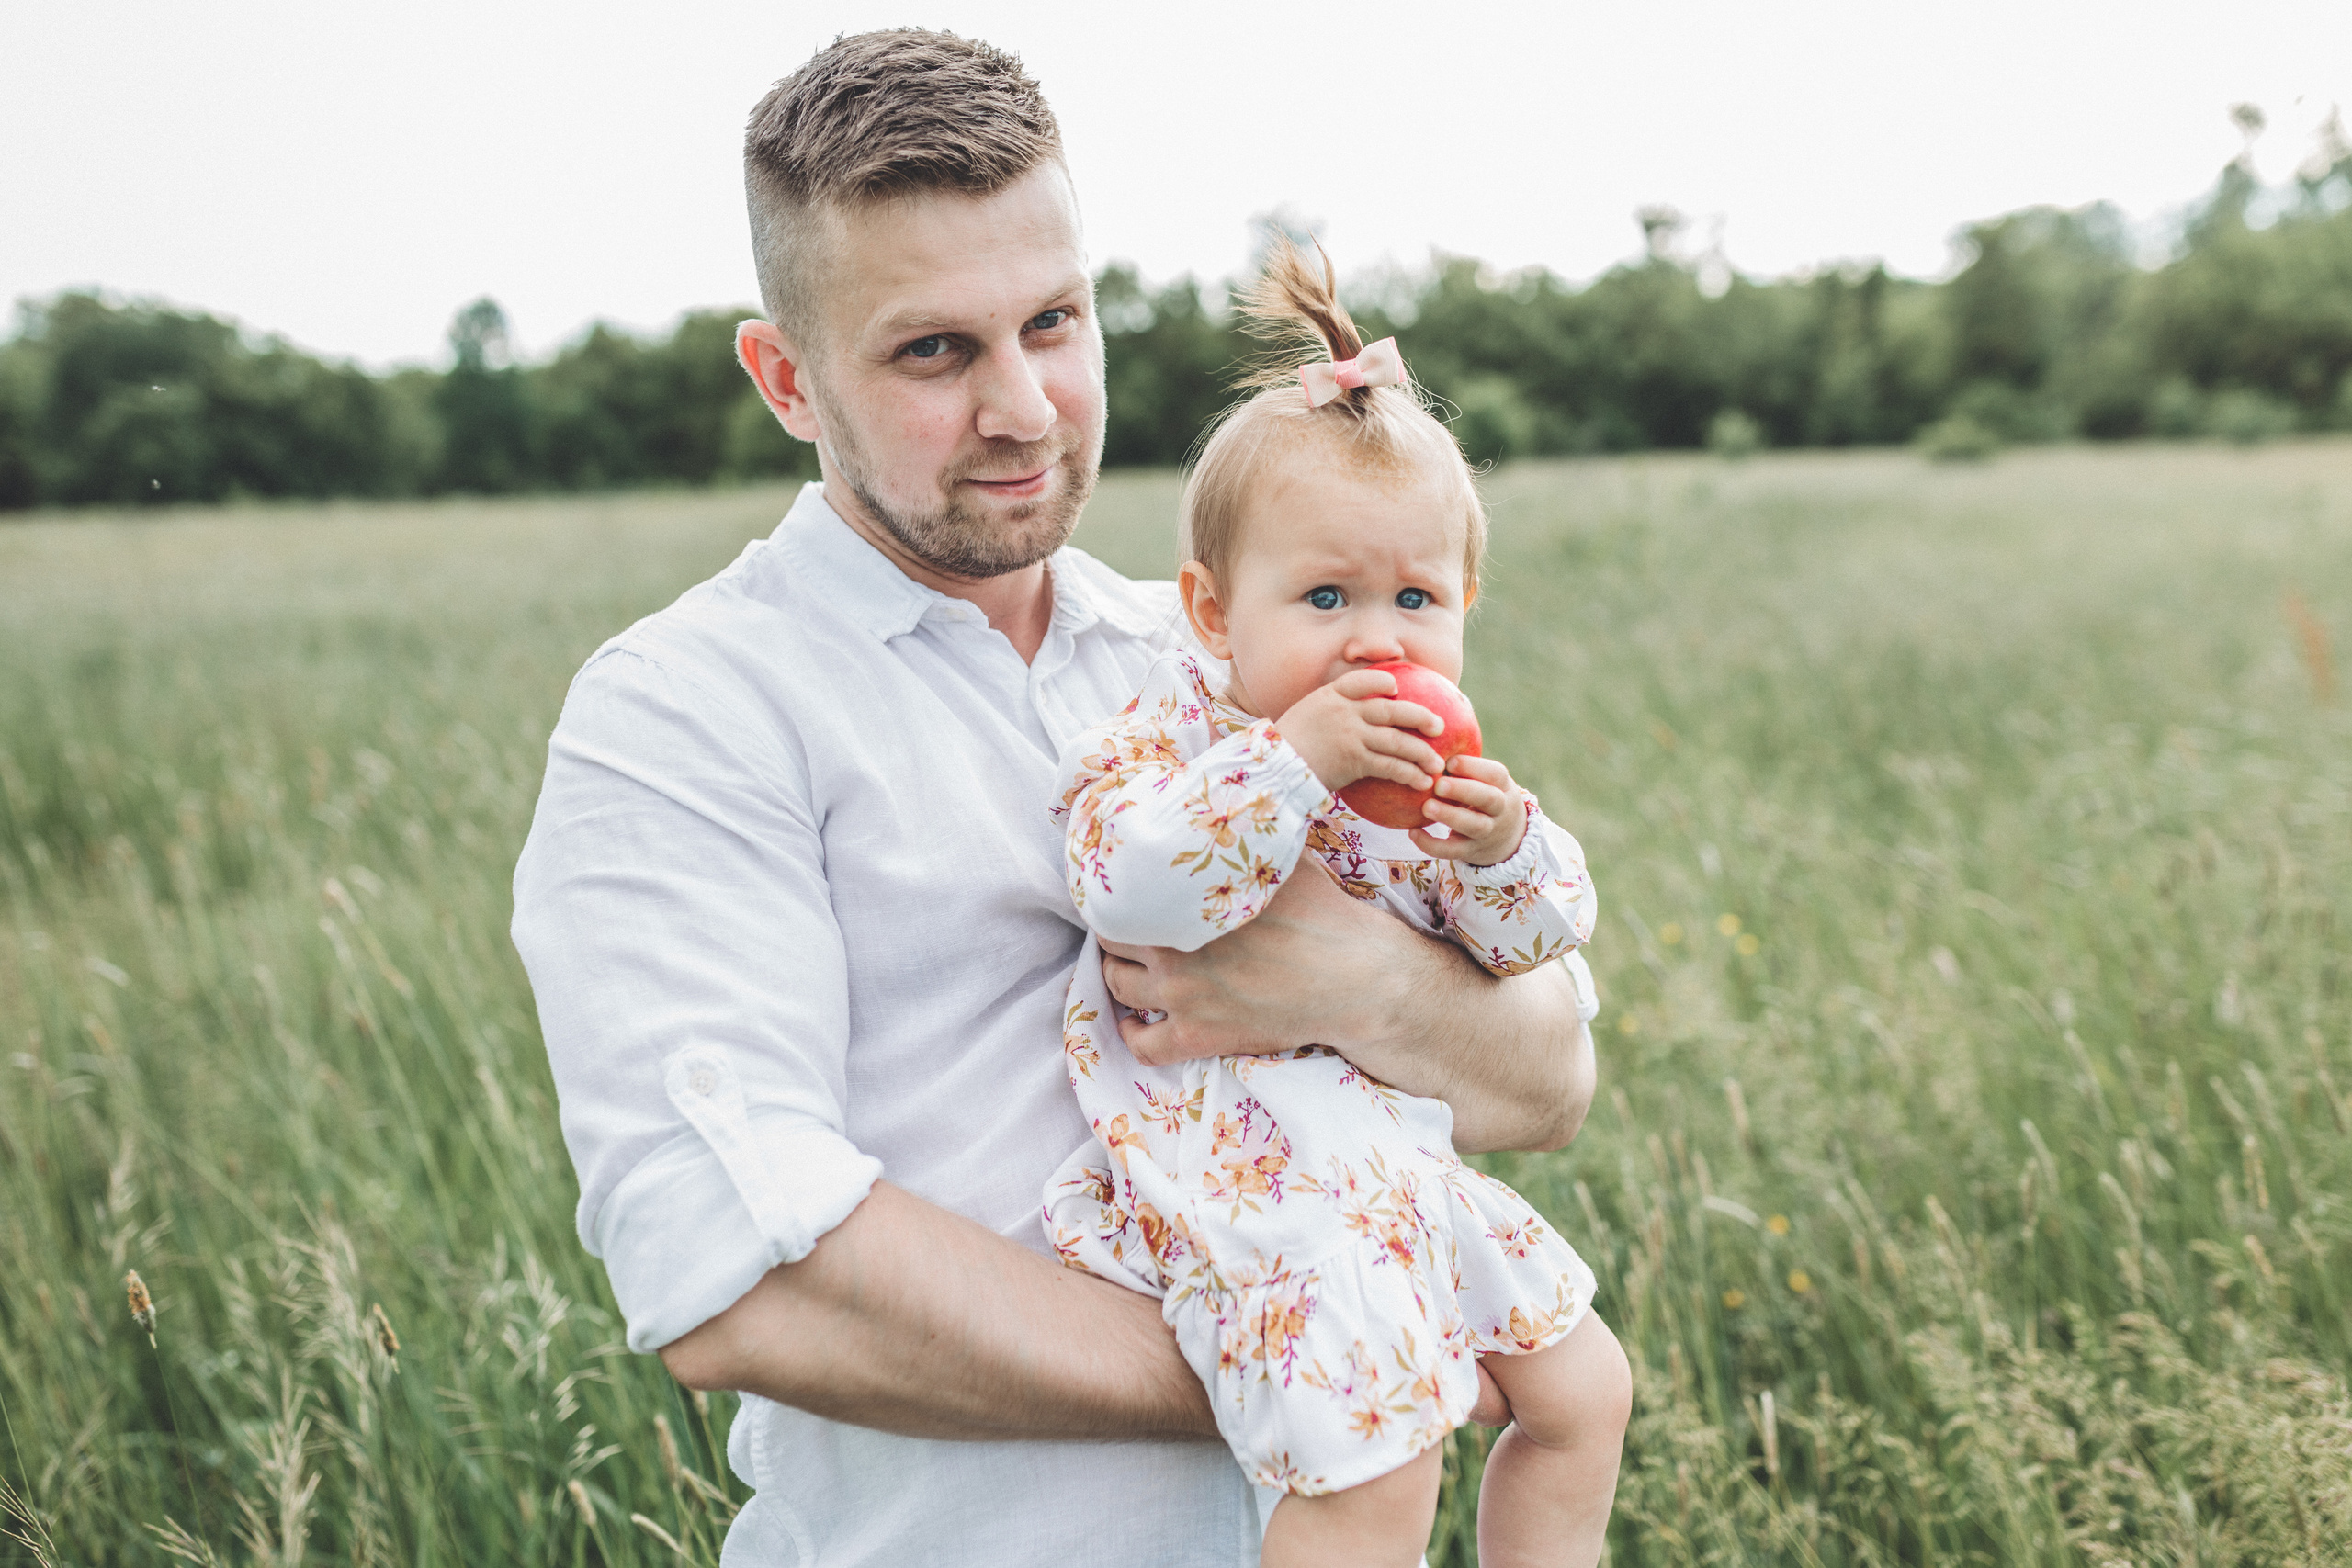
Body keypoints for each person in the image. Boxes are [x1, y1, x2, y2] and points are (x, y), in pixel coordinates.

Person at [509, 29, 1614, 1566]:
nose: (1025, 407)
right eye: (933, 352)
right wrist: (1333, 1363)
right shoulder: (685, 713)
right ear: (787, 379)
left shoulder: (1224, 656)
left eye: (1052, 321)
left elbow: (1550, 1074)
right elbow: (746, 1275)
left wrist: (1355, 982)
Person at [1043, 239, 1629, 1568]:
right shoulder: (1164, 748)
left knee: (1589, 1396)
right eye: (1324, 597)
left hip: (1396, 1174)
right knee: (1380, 1469)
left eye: (1416, 599)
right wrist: (1291, 762)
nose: (1379, 640)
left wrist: (1497, 852)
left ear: (1466, 605)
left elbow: (1538, 948)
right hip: (1267, 1196)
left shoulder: (1427, 786)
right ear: (1210, 611)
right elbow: (1138, 885)